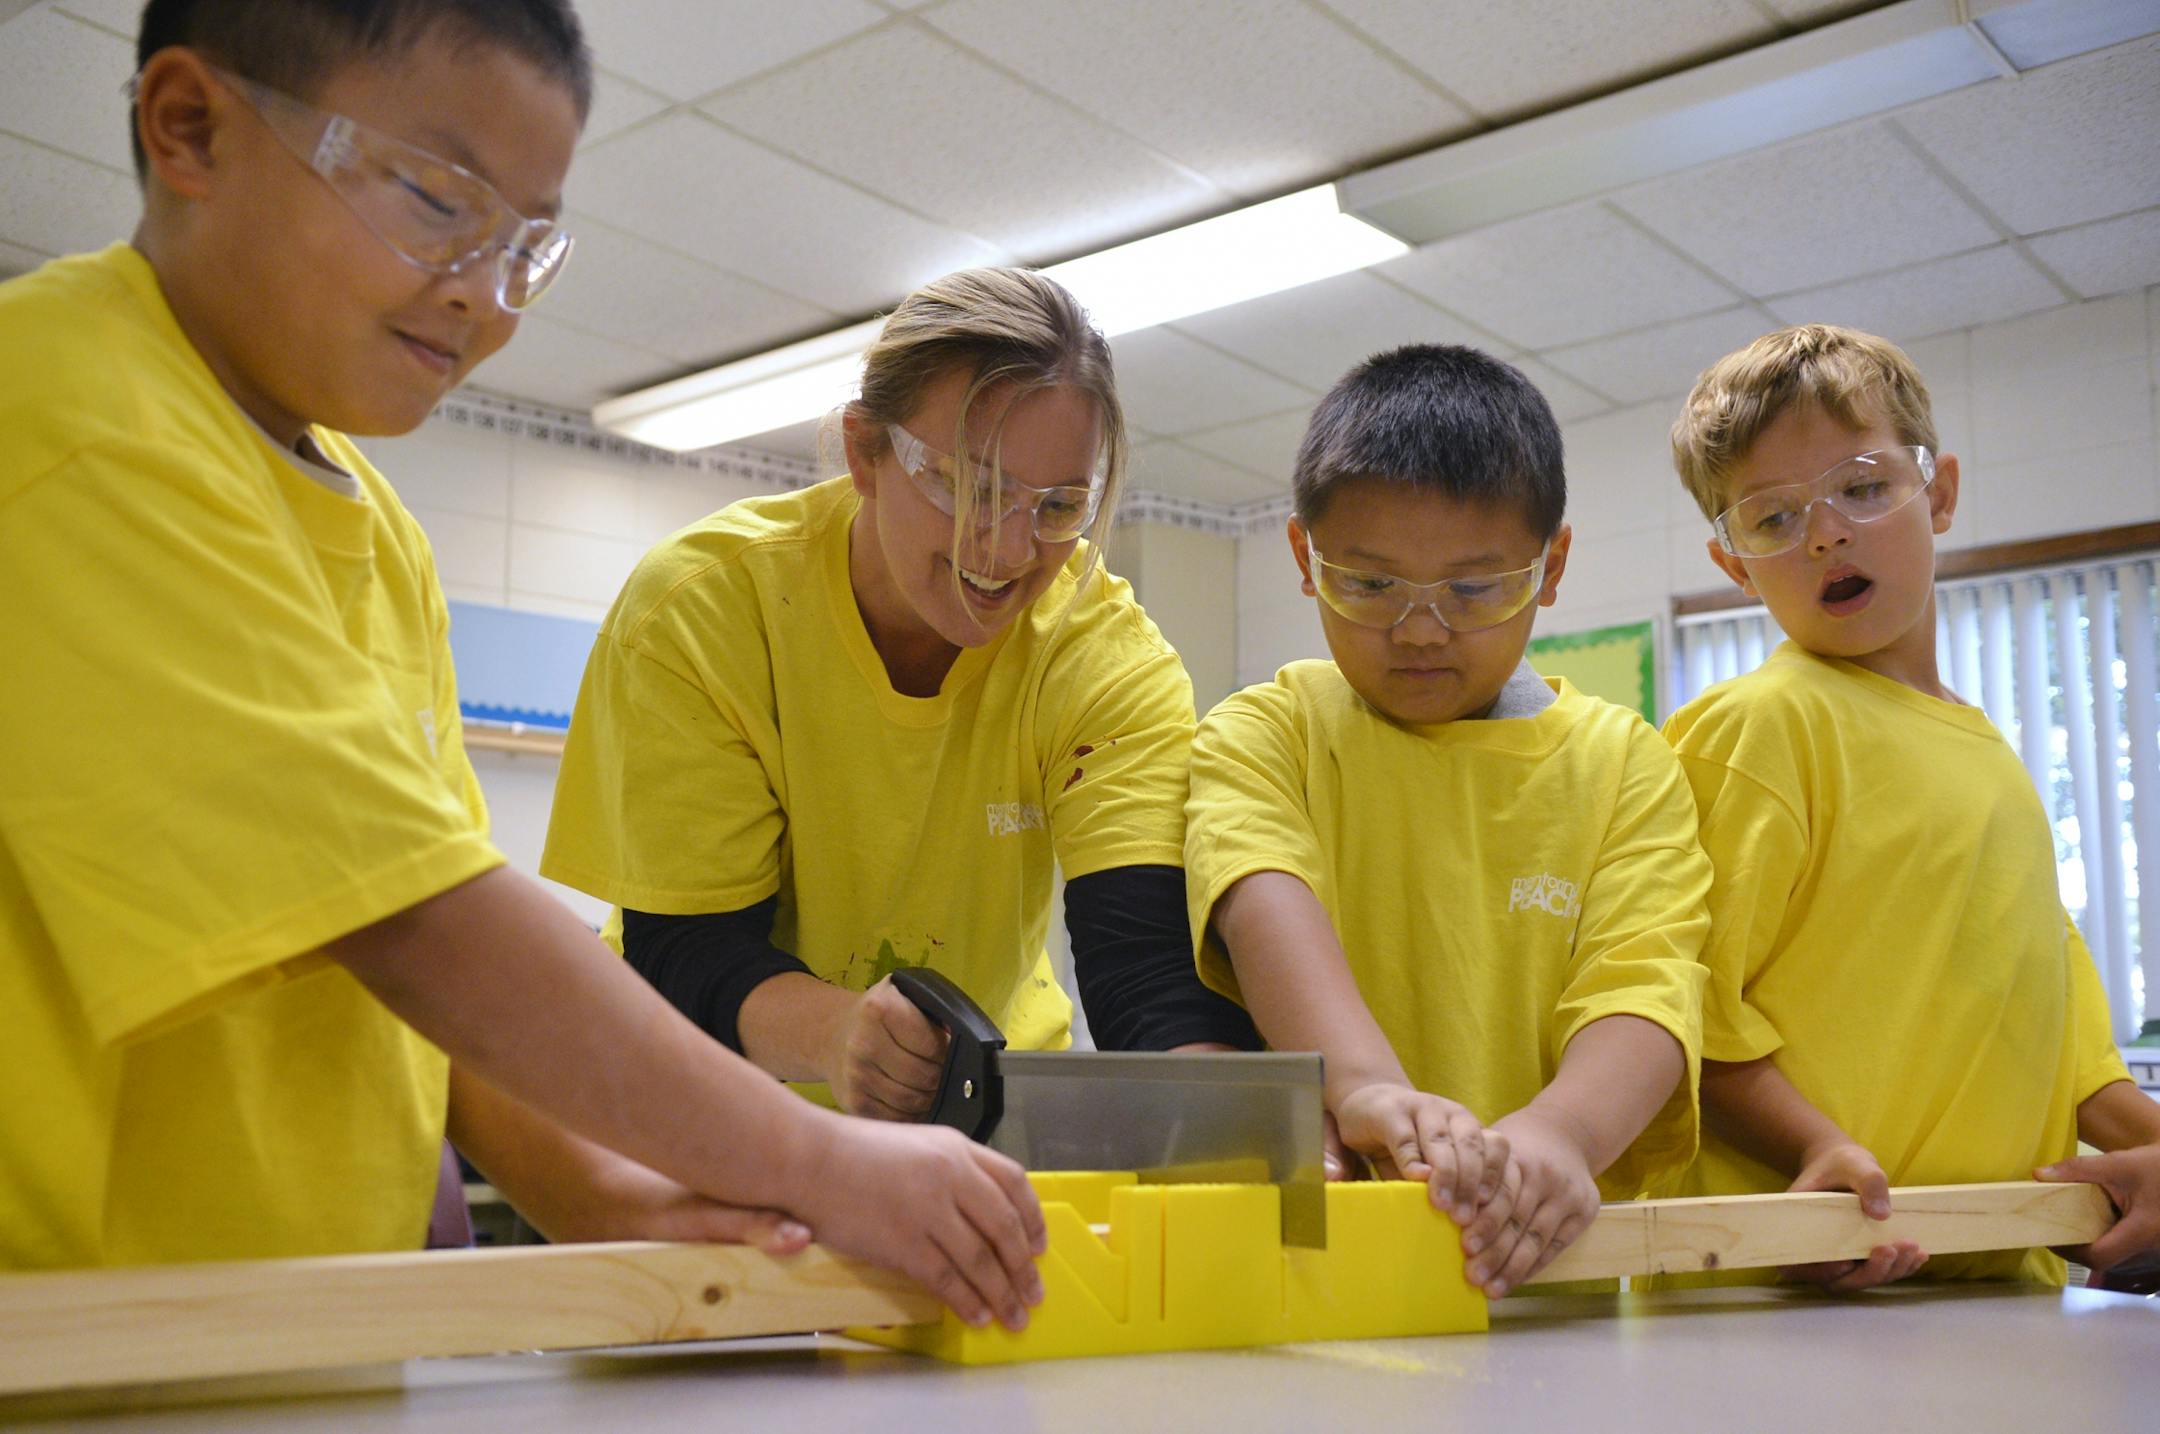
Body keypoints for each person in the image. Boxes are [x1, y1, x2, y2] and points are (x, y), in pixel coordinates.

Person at [0, 0, 1045, 1333]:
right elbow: (428, 928)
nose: (485, 297)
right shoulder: (70, 419)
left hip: (304, 1336)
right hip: (75, 1345)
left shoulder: (376, 530)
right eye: (439, 203)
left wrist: (614, 1195)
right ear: (191, 127)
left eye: (527, 244)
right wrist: (817, 1153)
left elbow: (417, 975)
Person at [542, 266, 1258, 1121]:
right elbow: (689, 948)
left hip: (975, 1105)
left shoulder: (1103, 657)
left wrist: (1233, 1114)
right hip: (715, 1096)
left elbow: (1142, 962)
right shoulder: (703, 610)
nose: (1006, 549)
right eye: (969, 487)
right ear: (864, 453)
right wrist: (841, 1035)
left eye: (1060, 505)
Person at [1183, 345, 1711, 1298]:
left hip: (1545, 1276)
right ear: (1305, 559)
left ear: (1550, 568)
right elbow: (1262, 899)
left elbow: (1648, 987)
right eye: (1371, 584)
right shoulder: (1271, 731)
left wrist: (1563, 1134)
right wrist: (1368, 1090)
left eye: (1474, 589)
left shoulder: (1625, 763)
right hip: (1318, 1276)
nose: (1420, 629)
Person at [1662, 322, 2158, 1288]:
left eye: (1863, 486)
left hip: (1992, 1279)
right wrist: (1820, 1154)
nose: (1825, 533)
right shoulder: (1760, 728)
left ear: (1939, 495)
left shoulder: (1990, 756)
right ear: (1735, 565)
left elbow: (2068, 1038)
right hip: (1791, 1289)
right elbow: (1683, 1015)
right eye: (1771, 519)